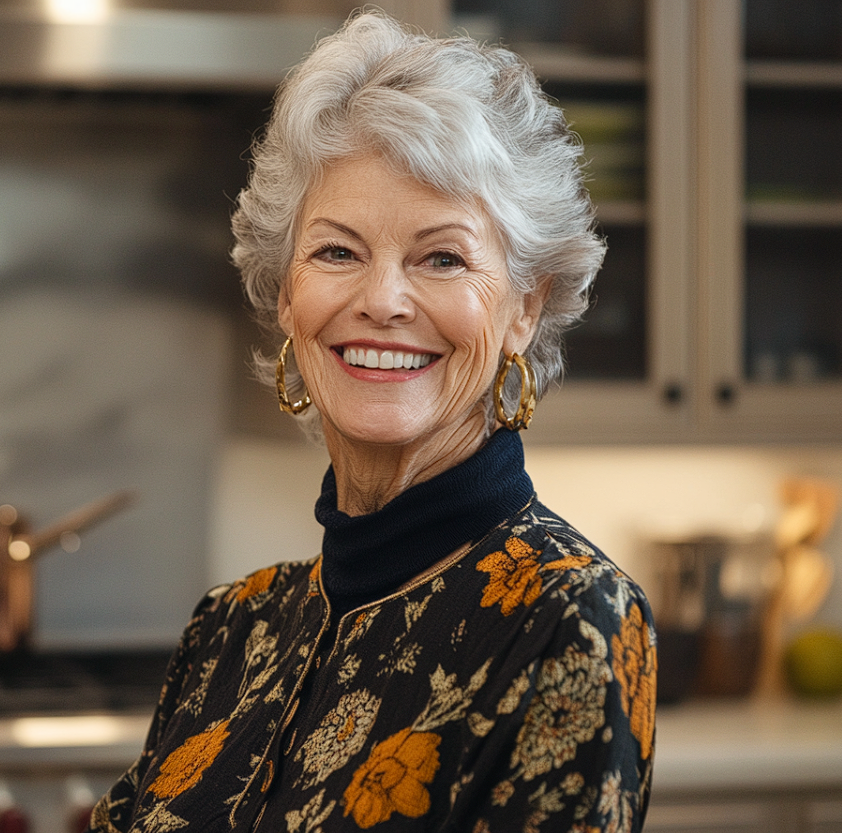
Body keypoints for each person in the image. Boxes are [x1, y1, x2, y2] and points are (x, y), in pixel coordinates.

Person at [87, 10, 656, 833]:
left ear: (525, 306)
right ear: (287, 296)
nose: (383, 300)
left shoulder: (571, 619)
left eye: (443, 257)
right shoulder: (228, 626)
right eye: (338, 252)